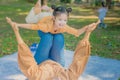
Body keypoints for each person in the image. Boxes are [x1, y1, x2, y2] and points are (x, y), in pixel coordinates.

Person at [6, 16, 99, 80]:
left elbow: (26, 57)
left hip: (41, 62)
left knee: (47, 37)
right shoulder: (68, 77)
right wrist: (88, 32)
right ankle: (52, 30)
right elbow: (80, 60)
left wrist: (16, 31)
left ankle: (48, 32)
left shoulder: (37, 77)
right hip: (57, 62)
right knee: (58, 37)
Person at [7, 5, 96, 68]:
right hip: (42, 30)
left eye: (65, 20)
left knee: (59, 38)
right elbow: (33, 26)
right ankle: (39, 61)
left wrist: (87, 28)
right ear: (54, 18)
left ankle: (57, 61)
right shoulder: (46, 26)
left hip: (55, 32)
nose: (62, 22)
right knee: (48, 37)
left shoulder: (63, 27)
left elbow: (77, 32)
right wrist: (18, 25)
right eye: (60, 20)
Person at [26, 0, 65, 66]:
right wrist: (35, 9)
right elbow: (28, 20)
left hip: (56, 31)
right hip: (44, 31)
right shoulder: (40, 15)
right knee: (47, 37)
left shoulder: (55, 12)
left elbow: (63, 17)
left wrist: (51, 10)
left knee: (59, 37)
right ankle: (38, 63)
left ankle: (58, 65)